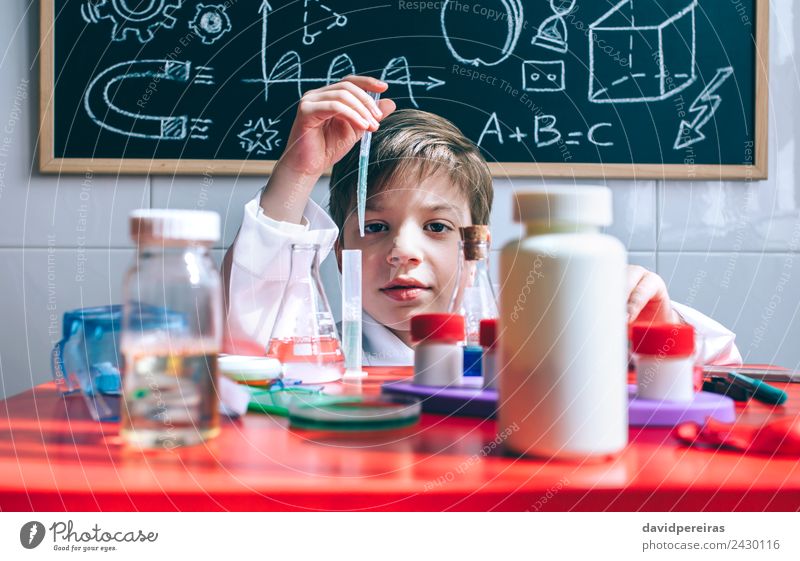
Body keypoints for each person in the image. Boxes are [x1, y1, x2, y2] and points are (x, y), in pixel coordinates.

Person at [223, 75, 742, 366]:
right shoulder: (315, 358)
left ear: (478, 247)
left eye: (437, 227)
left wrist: (654, 329)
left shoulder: (544, 343)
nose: (403, 250)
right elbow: (245, 332)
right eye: (376, 227)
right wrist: (299, 170)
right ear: (340, 252)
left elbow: (721, 368)